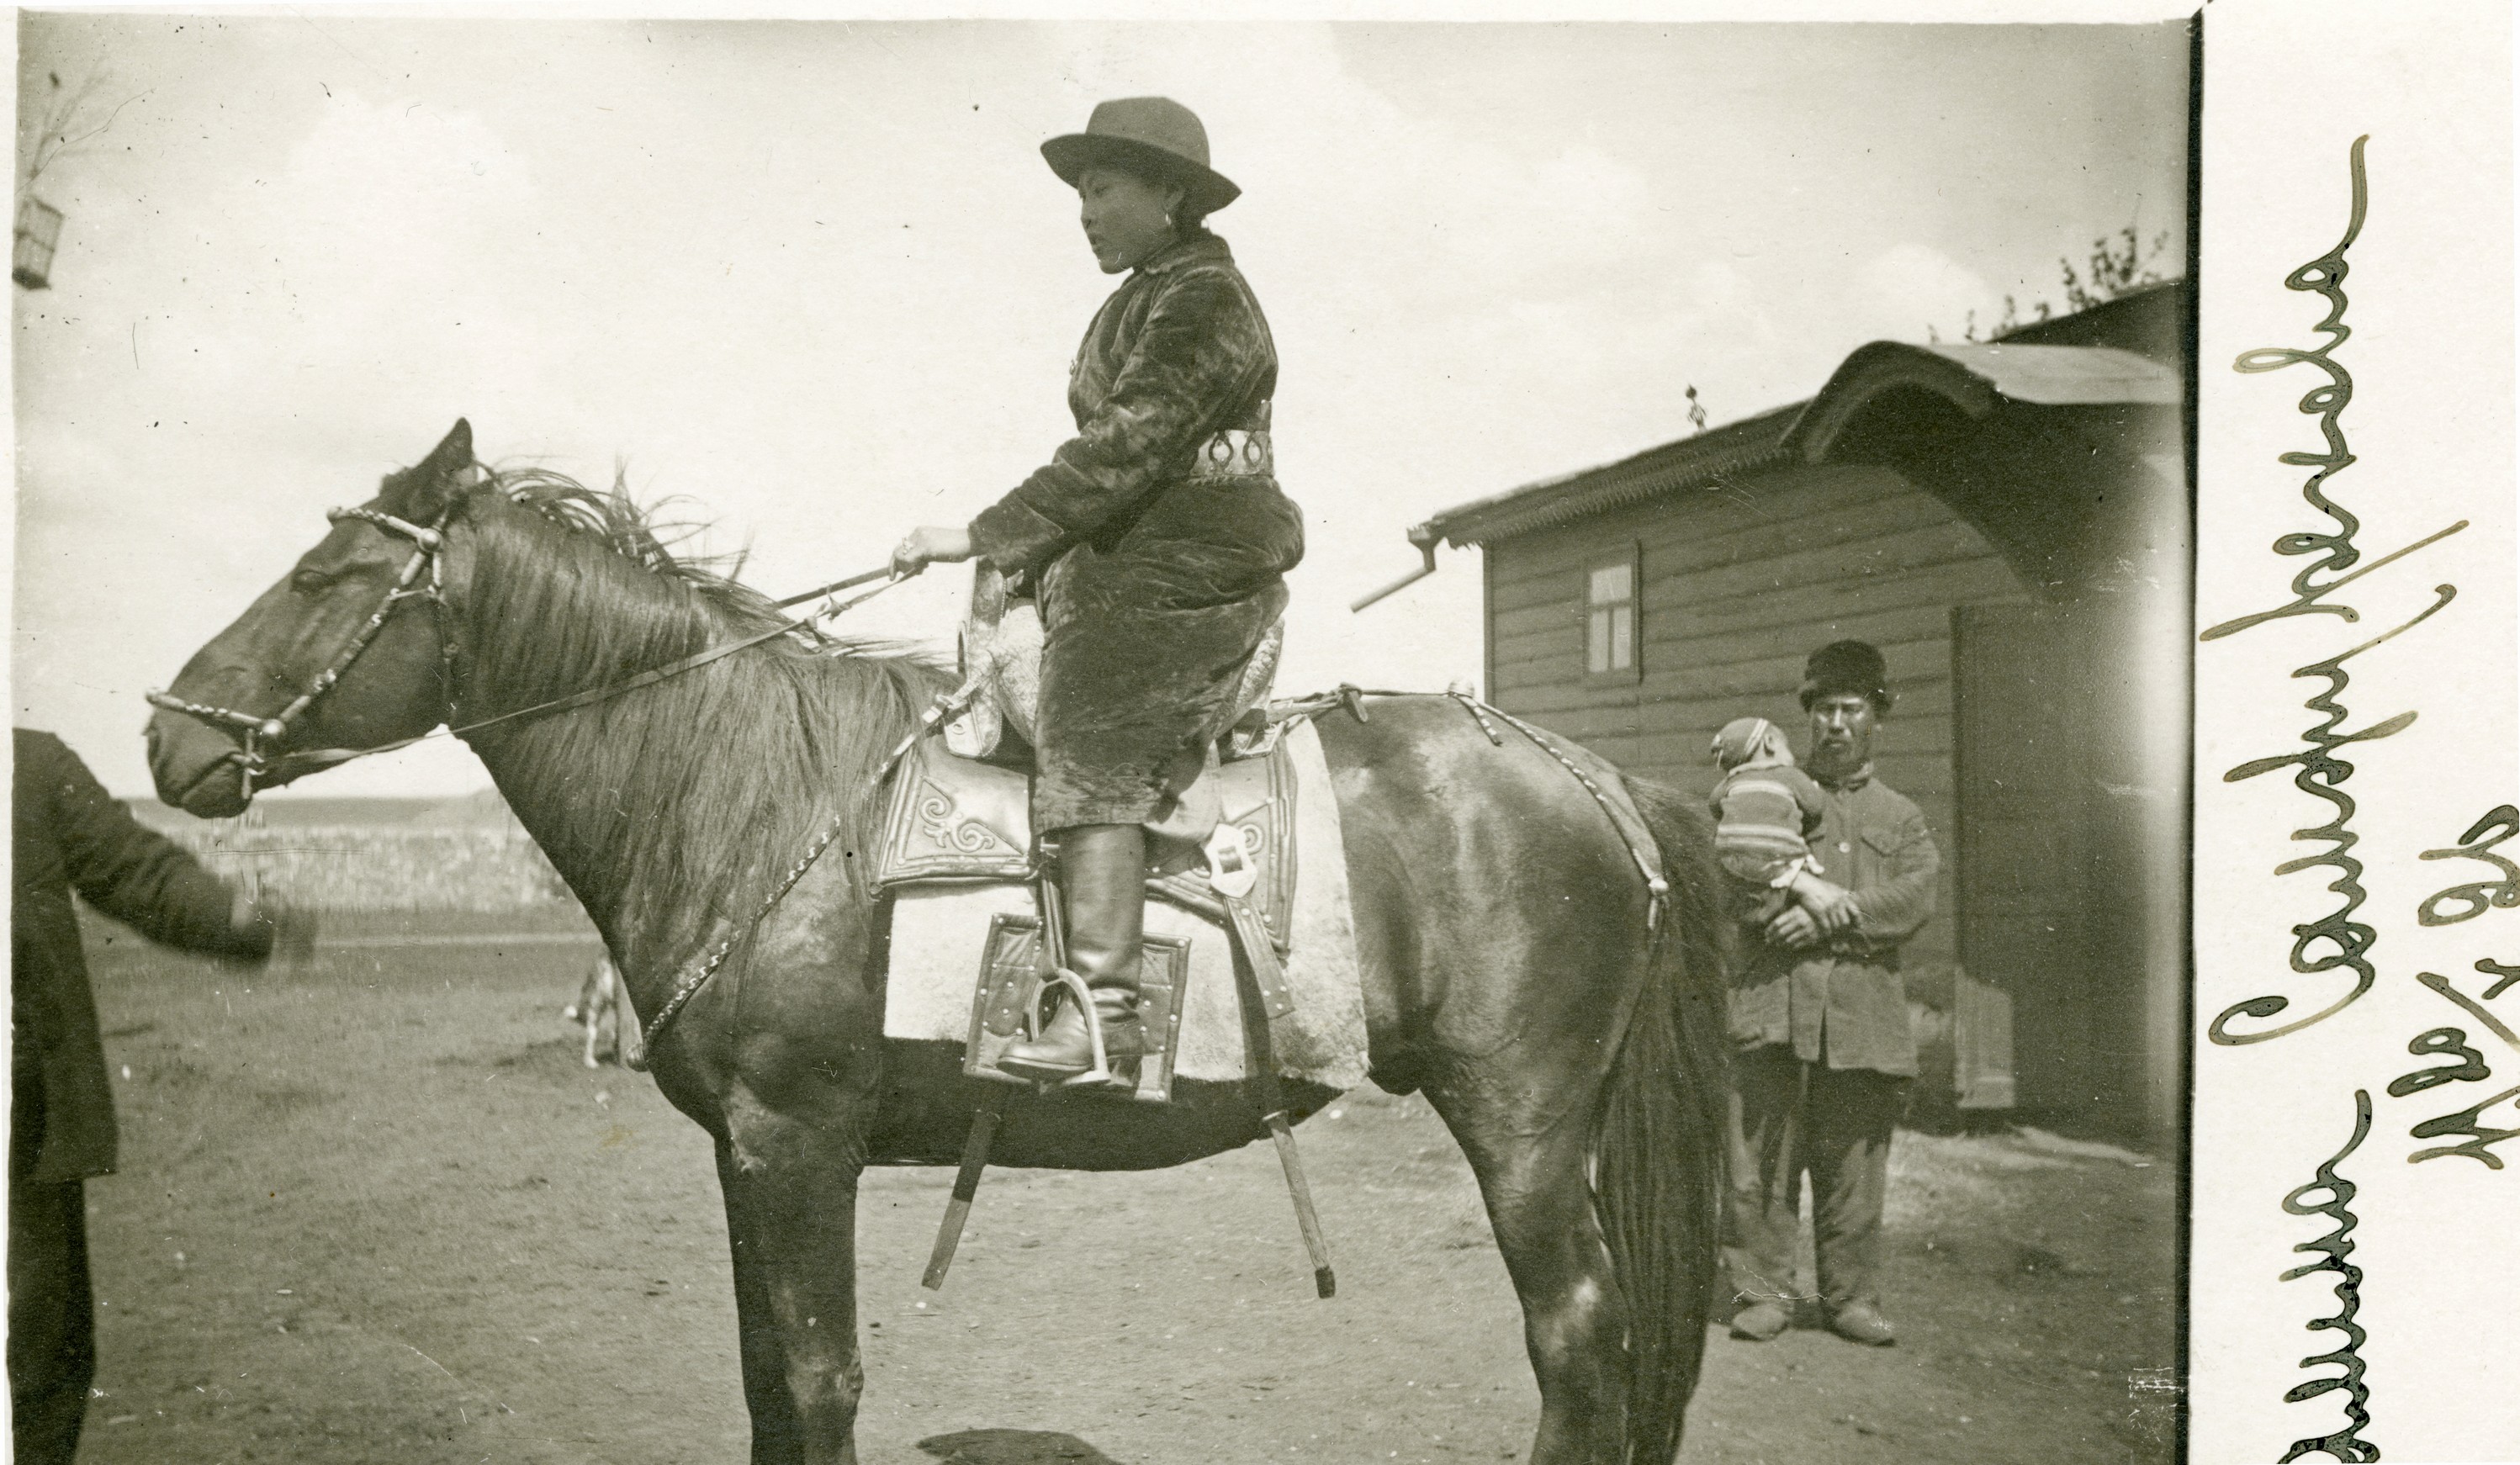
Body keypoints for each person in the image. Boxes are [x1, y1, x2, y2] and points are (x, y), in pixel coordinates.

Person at [890, 97, 1302, 1085]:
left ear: (1170, 194)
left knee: (1090, 702)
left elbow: (1129, 444)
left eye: (1103, 187)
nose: (1085, 209)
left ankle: (1102, 1010)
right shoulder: (1144, 291)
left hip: (1193, 561)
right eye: (1080, 191)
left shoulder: (1206, 297)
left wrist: (983, 533)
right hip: (1143, 547)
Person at [10, 728, 313, 1463]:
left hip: (23, 1123)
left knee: (41, 1356)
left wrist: (244, 919)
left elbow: (134, 870)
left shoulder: (25, 763)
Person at [1720, 643, 1940, 1347]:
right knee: (1760, 1164)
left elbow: (1913, 900)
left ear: (1877, 716)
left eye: (1852, 709)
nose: (1836, 724)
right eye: (1824, 710)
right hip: (1772, 1008)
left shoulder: (1901, 816)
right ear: (1808, 717)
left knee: (1855, 1169)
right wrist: (1782, 909)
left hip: (1862, 1017)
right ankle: (1764, 1294)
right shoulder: (1770, 792)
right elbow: (1736, 878)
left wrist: (1821, 911)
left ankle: (1850, 1298)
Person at [1706, 715, 1840, 930]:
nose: (1791, 756)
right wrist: (1814, 788)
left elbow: (1714, 805)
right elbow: (1815, 805)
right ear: (1769, 743)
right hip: (1776, 856)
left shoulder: (1730, 781)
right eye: (1786, 747)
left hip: (1731, 857)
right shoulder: (1788, 774)